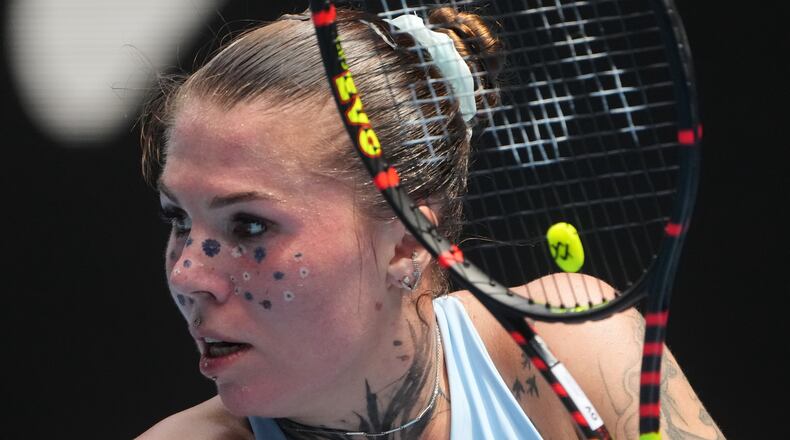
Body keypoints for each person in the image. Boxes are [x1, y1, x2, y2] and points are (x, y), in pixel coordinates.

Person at [136, 7, 724, 440]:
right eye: (179, 219)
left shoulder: (571, 351)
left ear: (405, 240)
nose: (188, 274)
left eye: (249, 227)